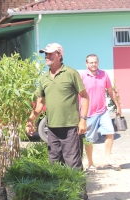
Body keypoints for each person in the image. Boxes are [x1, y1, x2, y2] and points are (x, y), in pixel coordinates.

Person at [26, 43, 90, 171]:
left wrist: (83, 120)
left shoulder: (71, 73)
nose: (47, 56)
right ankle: (59, 192)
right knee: (54, 164)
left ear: (59, 55)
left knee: (73, 164)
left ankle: (80, 192)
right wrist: (30, 121)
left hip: (71, 127)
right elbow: (40, 104)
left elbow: (85, 96)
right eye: (46, 54)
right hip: (52, 128)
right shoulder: (44, 78)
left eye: (50, 53)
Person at [80, 54, 121, 171]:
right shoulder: (82, 76)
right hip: (88, 113)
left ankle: (108, 159)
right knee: (89, 139)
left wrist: (118, 105)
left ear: (98, 62)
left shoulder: (104, 74)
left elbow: (110, 91)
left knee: (110, 131)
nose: (93, 64)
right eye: (91, 62)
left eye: (95, 62)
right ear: (86, 64)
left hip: (102, 111)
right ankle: (90, 163)